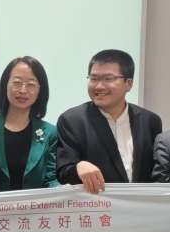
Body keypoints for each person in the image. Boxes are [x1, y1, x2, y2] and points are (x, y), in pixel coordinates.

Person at [56, 49, 162, 192]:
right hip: (97, 203)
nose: (99, 86)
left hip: (140, 203)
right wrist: (78, 167)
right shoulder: (72, 120)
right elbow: (63, 171)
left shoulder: (150, 121)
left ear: (129, 83)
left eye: (108, 79)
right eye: (94, 79)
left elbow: (157, 172)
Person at [0, 56, 59, 190]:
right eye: (17, 82)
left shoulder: (50, 133)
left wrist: (66, 191)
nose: (23, 90)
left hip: (36, 204)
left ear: (40, 90)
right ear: (5, 85)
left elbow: (51, 178)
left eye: (31, 84)